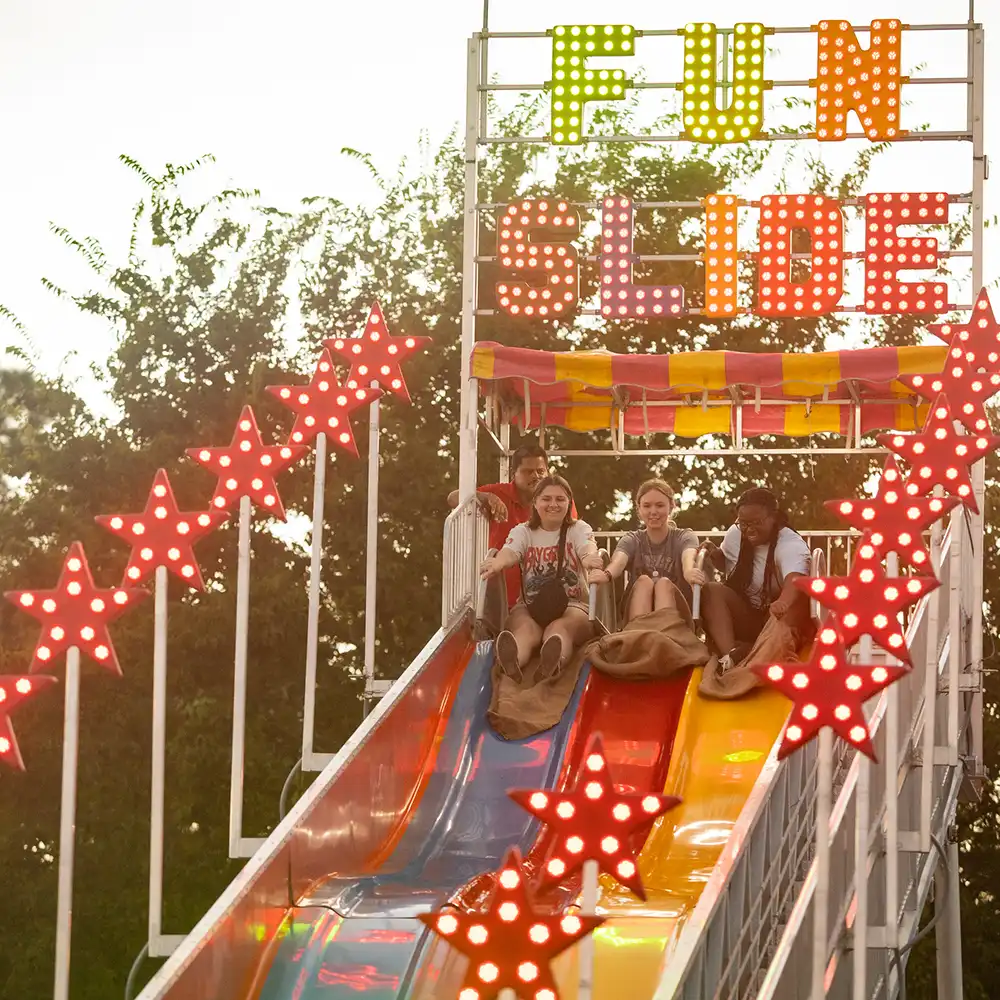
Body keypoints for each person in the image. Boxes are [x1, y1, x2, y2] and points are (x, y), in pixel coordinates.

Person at [480, 475, 602, 680]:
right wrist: (498, 563)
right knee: (525, 629)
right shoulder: (524, 531)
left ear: (568, 503)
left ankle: (553, 661)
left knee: (559, 629)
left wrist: (590, 559)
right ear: (535, 503)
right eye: (546, 499)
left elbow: (586, 547)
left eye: (560, 499)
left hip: (573, 605)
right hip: (531, 605)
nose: (553, 504)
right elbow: (510, 552)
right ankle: (513, 660)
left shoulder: (578, 529)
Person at [447, 444, 574, 607]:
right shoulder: (498, 493)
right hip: (499, 595)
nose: (536, 476)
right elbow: (453, 498)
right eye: (528, 472)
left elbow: (572, 538)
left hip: (549, 595)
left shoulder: (559, 501)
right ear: (514, 473)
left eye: (540, 471)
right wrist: (485, 497)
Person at [700, 487, 811, 669]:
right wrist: (715, 555)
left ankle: (758, 653)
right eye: (743, 523)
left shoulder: (790, 543)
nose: (749, 529)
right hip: (748, 615)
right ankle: (731, 657)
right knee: (711, 590)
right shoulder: (736, 533)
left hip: (776, 620)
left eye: (756, 522)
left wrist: (782, 602)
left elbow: (795, 579)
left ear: (774, 517)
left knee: (787, 609)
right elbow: (728, 565)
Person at [589, 479, 706, 622]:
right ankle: (639, 633)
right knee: (644, 581)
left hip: (676, 613)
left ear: (671, 507)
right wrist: (606, 575)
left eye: (660, 505)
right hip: (637, 608)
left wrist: (689, 572)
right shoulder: (632, 539)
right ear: (639, 509)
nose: (653, 511)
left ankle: (665, 633)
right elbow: (618, 562)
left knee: (663, 584)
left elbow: (688, 558)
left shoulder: (684, 536)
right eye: (647, 506)